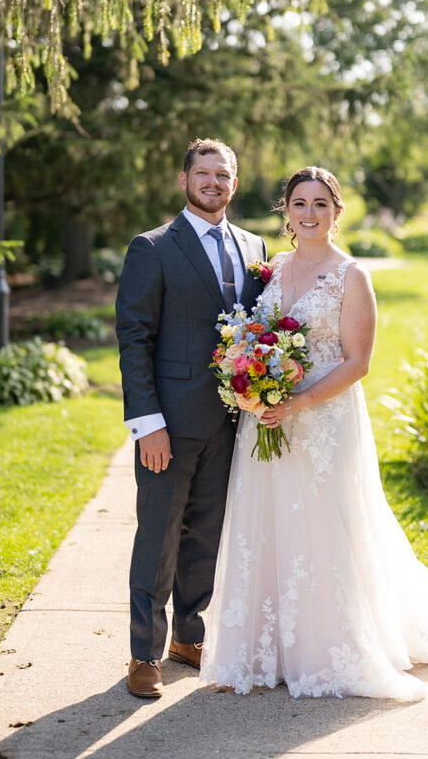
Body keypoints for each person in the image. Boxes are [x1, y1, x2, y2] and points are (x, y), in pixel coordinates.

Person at [200, 166, 428, 700]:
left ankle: (328, 646)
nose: (309, 213)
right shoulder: (273, 269)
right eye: (299, 203)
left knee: (324, 526)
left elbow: (357, 363)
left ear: (336, 212)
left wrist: (298, 401)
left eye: (320, 204)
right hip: (268, 418)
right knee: (269, 523)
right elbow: (256, 338)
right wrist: (254, 387)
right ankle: (270, 649)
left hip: (324, 421)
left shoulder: (352, 276)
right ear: (286, 212)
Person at [115, 138, 267, 699]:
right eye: (202, 173)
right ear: (184, 181)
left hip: (234, 422)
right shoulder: (152, 248)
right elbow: (135, 338)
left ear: (234, 182)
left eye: (222, 174)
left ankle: (188, 635)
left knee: (207, 535)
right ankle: (143, 654)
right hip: (170, 425)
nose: (212, 182)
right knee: (158, 538)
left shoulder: (255, 247)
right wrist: (146, 423)